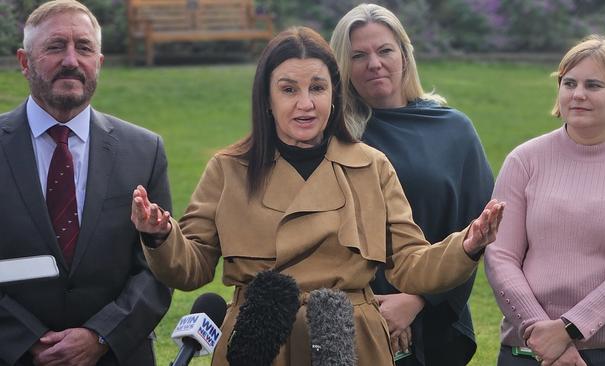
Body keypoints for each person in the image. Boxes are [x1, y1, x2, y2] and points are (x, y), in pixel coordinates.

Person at [131, 26, 504, 366]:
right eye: (289, 89)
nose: (306, 103)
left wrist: (465, 246)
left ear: (335, 94)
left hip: (352, 345)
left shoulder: (372, 166)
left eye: (318, 88)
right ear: (267, 98)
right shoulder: (227, 169)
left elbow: (411, 263)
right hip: (259, 346)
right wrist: (160, 236)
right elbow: (191, 267)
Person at [0, 1, 172, 365]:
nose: (70, 61)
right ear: (24, 61)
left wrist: (101, 334)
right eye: (54, 46)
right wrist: (26, 338)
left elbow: (157, 268)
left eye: (84, 48)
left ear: (100, 62)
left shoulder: (144, 150)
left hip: (115, 356)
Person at [330, 4, 494, 365]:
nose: (374, 63)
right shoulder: (335, 136)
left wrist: (417, 300)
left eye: (385, 50)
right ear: (343, 65)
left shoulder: (453, 130)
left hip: (436, 315)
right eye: (358, 55)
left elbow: (478, 231)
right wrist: (372, 307)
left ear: (404, 55)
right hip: (349, 318)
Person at [485, 34, 605, 366]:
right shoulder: (524, 160)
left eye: (593, 85)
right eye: (569, 83)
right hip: (529, 348)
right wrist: (541, 332)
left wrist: (569, 329)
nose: (578, 94)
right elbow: (500, 256)